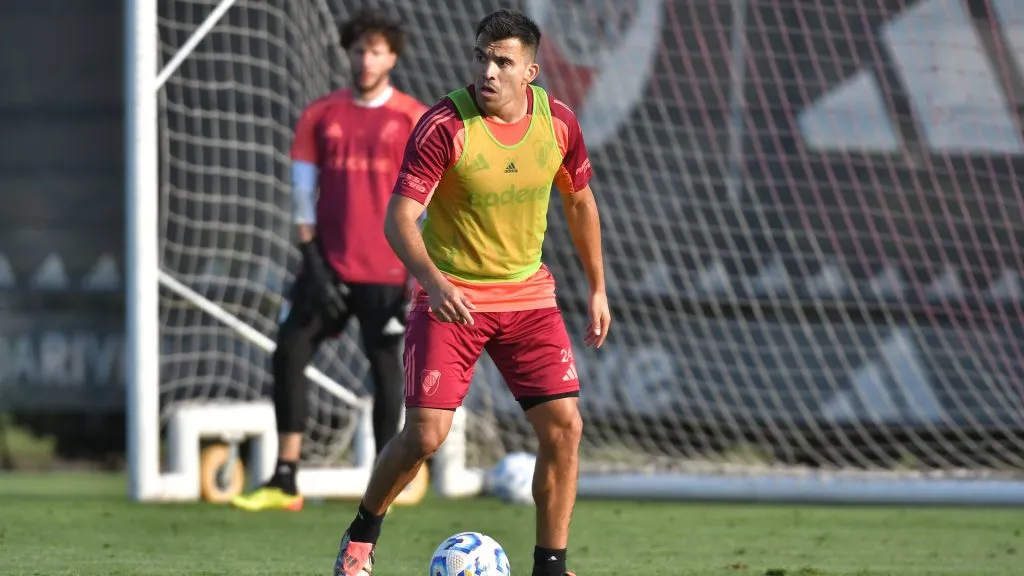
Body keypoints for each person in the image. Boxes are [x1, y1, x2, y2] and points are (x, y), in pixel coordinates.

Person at [332, 9, 610, 576]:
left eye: (503, 61)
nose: (488, 71)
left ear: (530, 71)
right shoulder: (444, 125)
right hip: (451, 298)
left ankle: (551, 566)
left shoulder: (558, 124)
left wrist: (598, 287)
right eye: (481, 56)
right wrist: (434, 283)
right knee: (425, 437)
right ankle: (361, 537)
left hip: (528, 299)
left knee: (565, 427)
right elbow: (400, 219)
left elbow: (580, 202)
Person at [231, 9, 428, 513]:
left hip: (387, 272)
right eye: (360, 50)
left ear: (393, 57)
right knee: (289, 351)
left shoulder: (412, 117)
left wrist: (415, 267)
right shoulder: (322, 114)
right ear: (348, 53)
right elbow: (301, 196)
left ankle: (387, 484)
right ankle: (285, 477)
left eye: (377, 51)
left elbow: (430, 201)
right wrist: (312, 259)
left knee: (386, 370)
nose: (366, 60)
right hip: (327, 269)